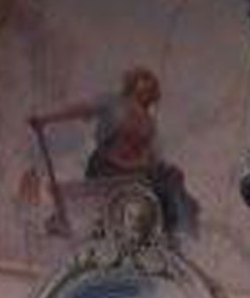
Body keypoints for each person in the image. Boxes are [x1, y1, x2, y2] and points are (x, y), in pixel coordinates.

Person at [30, 68, 199, 239]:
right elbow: (81, 109)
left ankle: (174, 229)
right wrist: (46, 119)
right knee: (159, 181)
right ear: (132, 85)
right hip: (108, 167)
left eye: (150, 87)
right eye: (141, 84)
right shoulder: (114, 103)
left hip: (137, 172)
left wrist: (158, 167)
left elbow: (152, 154)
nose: (145, 91)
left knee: (172, 177)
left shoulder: (149, 122)